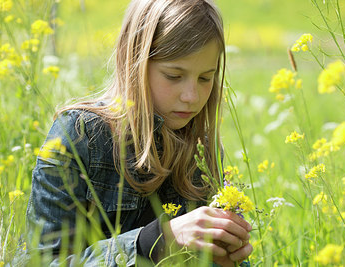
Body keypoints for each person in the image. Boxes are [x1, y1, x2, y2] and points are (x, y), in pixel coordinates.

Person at [20, 0, 253, 266]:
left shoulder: (202, 149)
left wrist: (225, 257)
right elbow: (39, 262)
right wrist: (153, 241)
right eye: (174, 76)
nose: (192, 96)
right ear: (134, 62)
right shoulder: (80, 136)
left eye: (205, 78)